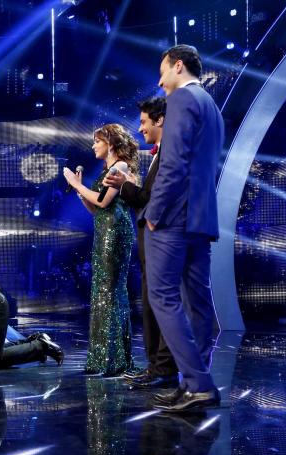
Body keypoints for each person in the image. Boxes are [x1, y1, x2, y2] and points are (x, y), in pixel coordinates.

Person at [141, 45, 223, 412]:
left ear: (178, 65)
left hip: (173, 217)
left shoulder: (181, 100)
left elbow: (173, 164)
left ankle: (198, 383)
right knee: (198, 302)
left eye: (163, 72)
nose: (160, 82)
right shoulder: (211, 105)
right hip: (202, 218)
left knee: (162, 297)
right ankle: (193, 380)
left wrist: (154, 212)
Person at [103, 97, 179, 389]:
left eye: (145, 121)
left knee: (159, 305)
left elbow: (154, 200)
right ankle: (157, 367)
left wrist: (123, 186)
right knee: (150, 305)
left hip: (162, 239)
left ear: (160, 120)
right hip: (151, 239)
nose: (141, 127)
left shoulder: (171, 153)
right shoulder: (159, 155)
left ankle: (163, 369)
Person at [63, 124, 138, 377]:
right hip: (104, 229)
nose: (93, 146)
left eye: (97, 141)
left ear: (111, 143)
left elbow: (104, 201)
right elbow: (96, 208)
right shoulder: (108, 169)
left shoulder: (121, 167)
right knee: (102, 291)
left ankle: (115, 361)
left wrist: (76, 184)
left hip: (116, 232)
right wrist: (82, 192)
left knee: (111, 291)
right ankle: (101, 358)